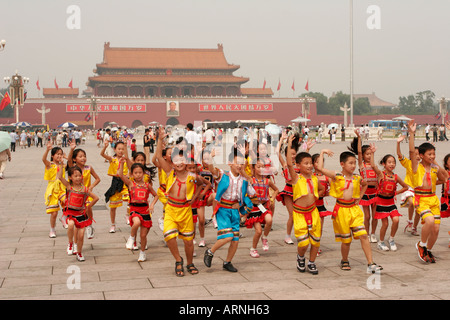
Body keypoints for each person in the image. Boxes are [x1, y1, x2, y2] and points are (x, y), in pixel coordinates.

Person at [316, 148, 383, 273]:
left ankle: (370, 263)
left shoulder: (357, 178)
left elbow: (365, 184)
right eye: (350, 163)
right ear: (342, 164)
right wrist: (322, 152)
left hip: (354, 209)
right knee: (346, 240)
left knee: (363, 235)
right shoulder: (337, 176)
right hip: (341, 210)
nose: (353, 166)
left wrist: (360, 197)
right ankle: (345, 259)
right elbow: (320, 169)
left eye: (354, 163)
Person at [156, 127, 204, 277]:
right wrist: (159, 139)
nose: (179, 162)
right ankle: (178, 259)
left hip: (185, 210)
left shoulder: (192, 176)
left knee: (189, 241)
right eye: (176, 159)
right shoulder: (170, 172)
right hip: (171, 209)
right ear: (172, 161)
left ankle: (189, 263)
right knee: (169, 236)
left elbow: (204, 184)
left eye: (182, 159)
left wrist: (195, 198)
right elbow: (158, 156)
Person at [203, 147, 255, 273]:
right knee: (228, 236)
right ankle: (210, 252)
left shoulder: (244, 181)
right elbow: (211, 169)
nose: (240, 166)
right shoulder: (222, 175)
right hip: (223, 210)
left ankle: (227, 262)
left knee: (235, 240)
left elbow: (253, 195)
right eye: (237, 163)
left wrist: (242, 207)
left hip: (235, 211)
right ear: (230, 163)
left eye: (242, 163)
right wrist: (211, 157)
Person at [408, 120, 448, 263]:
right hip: (421, 199)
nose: (432, 156)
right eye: (429, 154)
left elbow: (445, 177)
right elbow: (412, 151)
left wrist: (436, 164)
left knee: (436, 230)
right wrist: (411, 134)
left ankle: (428, 250)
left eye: (433, 154)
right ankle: (421, 245)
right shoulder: (415, 167)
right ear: (422, 155)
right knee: (429, 221)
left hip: (433, 199)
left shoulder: (434, 168)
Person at [286, 136, 324, 274]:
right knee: (303, 243)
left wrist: (316, 195)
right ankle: (300, 257)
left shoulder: (314, 178)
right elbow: (289, 164)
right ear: (298, 166)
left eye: (310, 163)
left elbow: (321, 189)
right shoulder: (296, 178)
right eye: (306, 163)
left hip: (313, 212)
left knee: (315, 241)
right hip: (300, 214)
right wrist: (289, 143)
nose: (309, 166)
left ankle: (312, 262)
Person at [369, 146, 409, 251]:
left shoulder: (395, 177)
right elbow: (373, 165)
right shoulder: (381, 174)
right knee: (385, 224)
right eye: (389, 162)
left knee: (396, 220)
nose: (392, 164)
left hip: (391, 203)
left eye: (393, 162)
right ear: (384, 164)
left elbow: (406, 187)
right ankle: (381, 242)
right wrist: (372, 153)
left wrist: (396, 193)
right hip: (381, 202)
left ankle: (391, 239)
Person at [118, 159, 158, 262]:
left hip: (145, 211)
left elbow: (156, 195)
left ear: (144, 173)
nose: (138, 175)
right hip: (134, 210)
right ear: (132, 174)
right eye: (136, 173)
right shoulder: (131, 184)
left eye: (140, 172)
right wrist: (121, 164)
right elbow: (121, 175)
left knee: (143, 235)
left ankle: (142, 252)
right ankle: (131, 238)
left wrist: (152, 205)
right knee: (136, 222)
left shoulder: (147, 185)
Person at [57, 165, 99, 261]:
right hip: (71, 213)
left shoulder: (85, 189)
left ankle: (79, 252)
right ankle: (70, 243)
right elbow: (59, 177)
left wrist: (88, 207)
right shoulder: (69, 186)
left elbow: (96, 198)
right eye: (75, 176)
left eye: (79, 175)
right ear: (70, 177)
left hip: (81, 215)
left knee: (81, 235)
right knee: (70, 225)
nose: (78, 178)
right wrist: (60, 165)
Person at [245, 158, 279, 258]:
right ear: (254, 168)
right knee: (258, 231)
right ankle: (253, 249)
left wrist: (272, 197)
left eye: (263, 167)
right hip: (254, 209)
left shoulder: (267, 181)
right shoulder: (251, 180)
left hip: (264, 207)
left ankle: (265, 238)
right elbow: (242, 171)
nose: (261, 169)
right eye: (258, 167)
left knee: (269, 220)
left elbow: (276, 190)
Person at [349, 130, 378, 243]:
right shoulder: (362, 165)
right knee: (367, 216)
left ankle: (373, 234)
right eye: (367, 154)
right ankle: (366, 232)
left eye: (370, 154)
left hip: (375, 192)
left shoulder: (373, 165)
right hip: (365, 193)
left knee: (375, 215)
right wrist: (359, 138)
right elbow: (359, 153)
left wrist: (373, 153)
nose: (369, 156)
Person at [67, 141, 101, 240]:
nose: (83, 158)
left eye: (84, 156)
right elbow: (69, 161)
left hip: (87, 193)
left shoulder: (88, 168)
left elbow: (98, 179)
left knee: (88, 207)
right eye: (80, 156)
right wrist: (72, 149)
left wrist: (91, 186)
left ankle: (89, 225)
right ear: (75, 159)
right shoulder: (73, 169)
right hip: (76, 194)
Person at [101, 141, 130, 233]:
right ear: (115, 149)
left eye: (122, 149)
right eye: (119, 149)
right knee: (113, 206)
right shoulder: (112, 159)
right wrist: (105, 147)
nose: (121, 151)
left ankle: (127, 215)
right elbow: (102, 154)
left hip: (125, 182)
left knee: (130, 199)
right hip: (115, 182)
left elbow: (130, 168)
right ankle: (113, 224)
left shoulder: (126, 159)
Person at [396, 135, 420, 236]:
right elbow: (399, 154)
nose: (417, 156)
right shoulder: (408, 163)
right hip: (409, 188)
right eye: (414, 154)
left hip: (419, 190)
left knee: (418, 209)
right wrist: (398, 143)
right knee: (412, 203)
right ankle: (410, 222)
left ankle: (414, 227)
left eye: (419, 154)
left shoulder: (424, 165)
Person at [42, 141, 66, 238]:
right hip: (52, 189)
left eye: (61, 154)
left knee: (67, 203)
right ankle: (52, 229)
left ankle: (64, 218)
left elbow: (71, 164)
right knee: (54, 213)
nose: (59, 156)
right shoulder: (50, 164)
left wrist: (64, 159)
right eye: (57, 154)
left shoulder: (63, 165)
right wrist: (47, 150)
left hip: (62, 188)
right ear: (52, 156)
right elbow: (43, 159)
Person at [312, 153, 332, 256]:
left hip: (320, 205)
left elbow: (333, 188)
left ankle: (316, 246)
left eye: (321, 161)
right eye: (316, 161)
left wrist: (326, 193)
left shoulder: (326, 177)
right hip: (310, 205)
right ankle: (311, 243)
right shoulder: (310, 176)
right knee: (311, 227)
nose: (319, 163)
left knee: (319, 227)